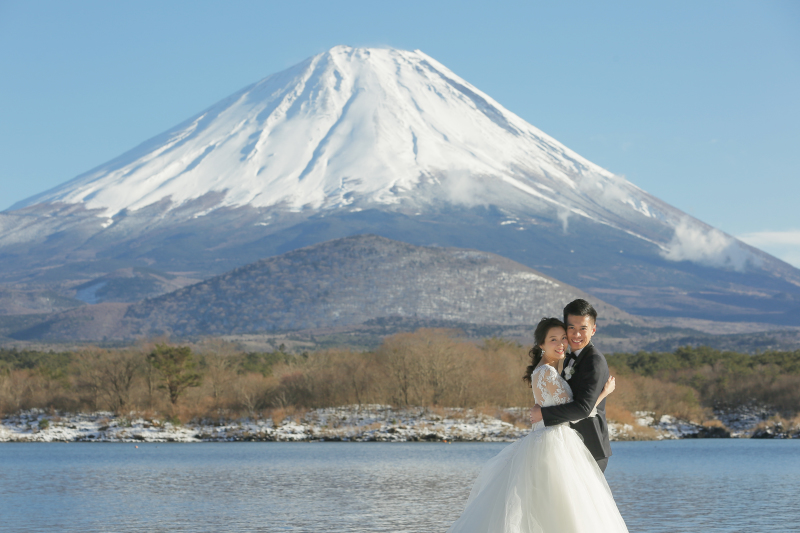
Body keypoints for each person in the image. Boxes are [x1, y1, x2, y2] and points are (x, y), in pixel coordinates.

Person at [446, 317, 628, 533]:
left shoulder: (547, 370)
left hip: (549, 438)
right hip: (555, 443)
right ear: (541, 344)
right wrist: (604, 393)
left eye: (563, 338)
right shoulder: (547, 373)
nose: (560, 344)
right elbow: (577, 414)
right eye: (553, 339)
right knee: (562, 506)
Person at [529, 299, 612, 472]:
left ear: (593, 330)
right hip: (568, 445)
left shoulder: (593, 361)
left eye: (583, 328)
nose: (576, 334)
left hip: (591, 446)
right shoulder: (565, 358)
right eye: (571, 328)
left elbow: (583, 408)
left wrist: (543, 413)